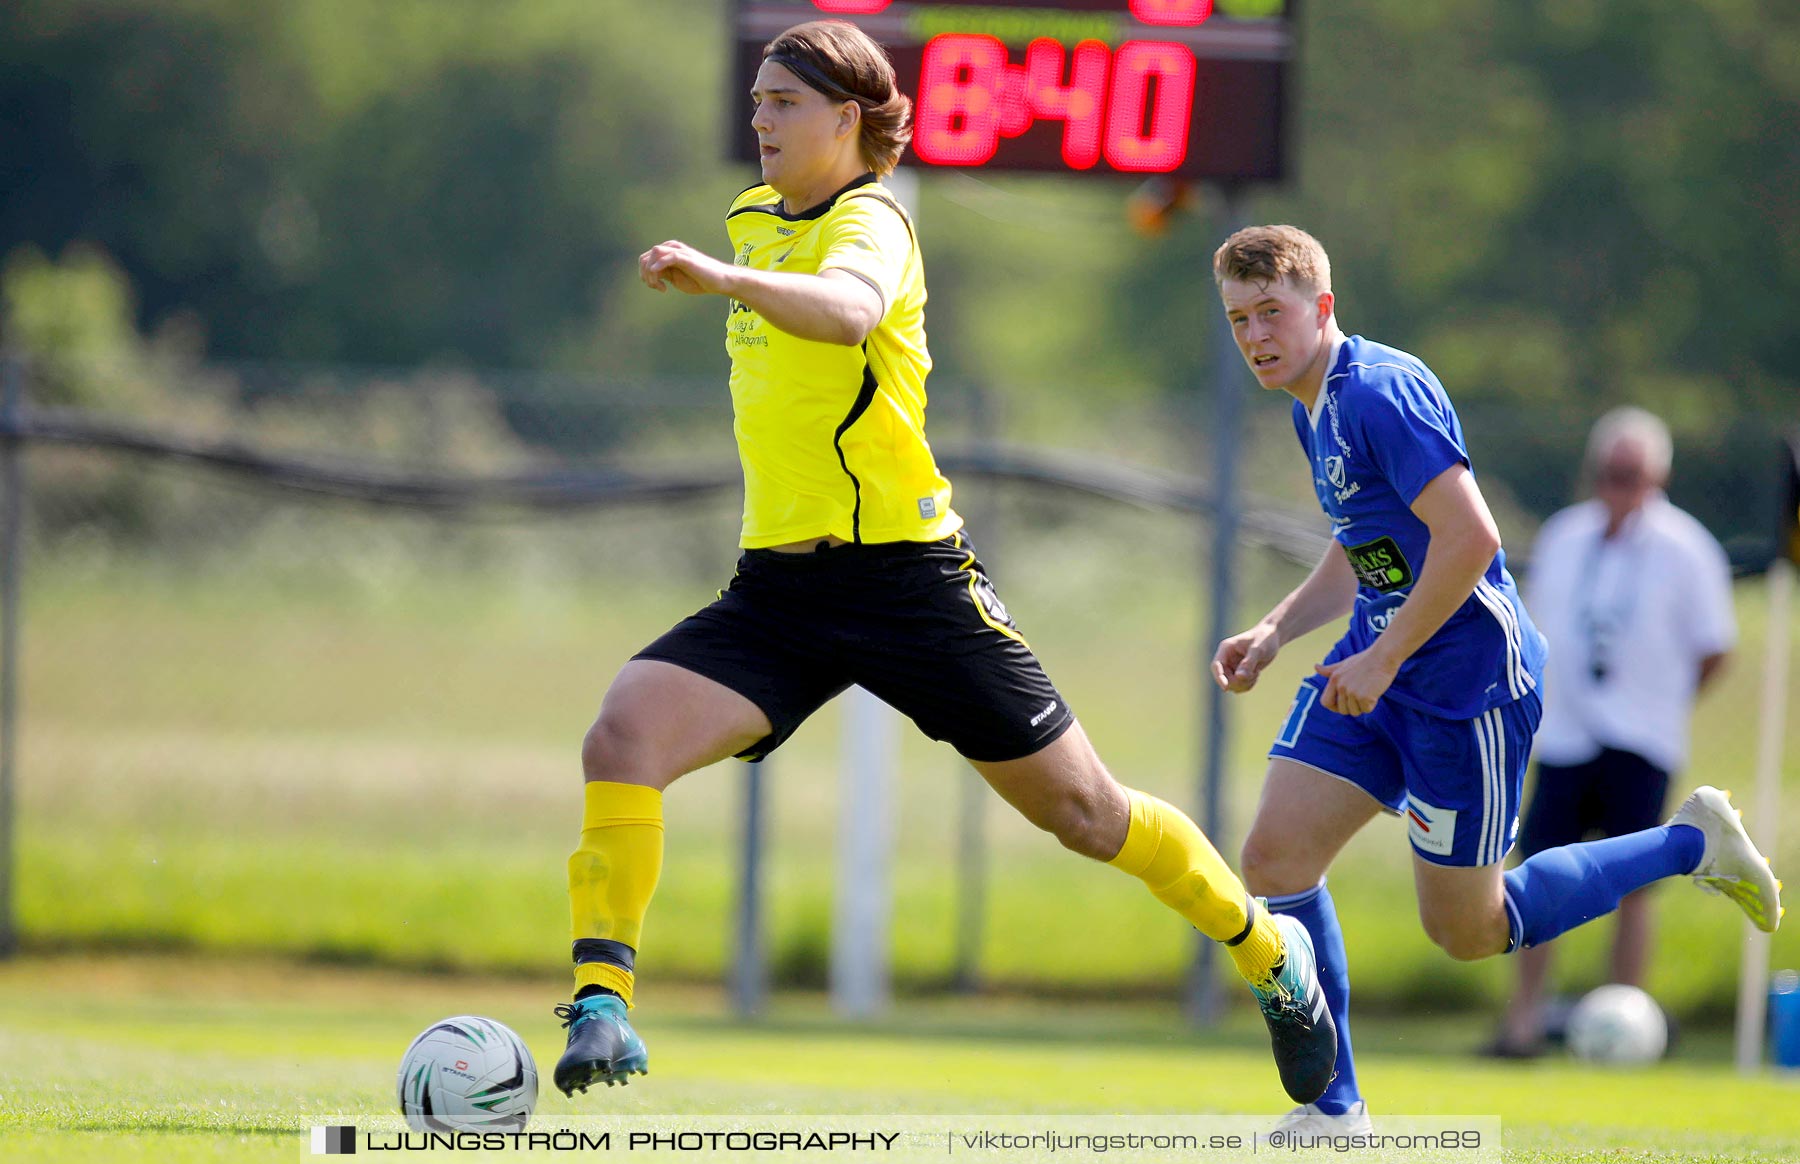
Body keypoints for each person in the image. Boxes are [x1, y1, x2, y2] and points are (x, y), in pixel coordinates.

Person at [551, 20, 1337, 1104]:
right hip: (781, 587)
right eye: (757, 101)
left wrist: (726, 280)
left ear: (847, 117)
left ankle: (1267, 955)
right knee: (622, 733)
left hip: (910, 584)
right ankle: (602, 1006)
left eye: (783, 102)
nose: (760, 120)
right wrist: (732, 266)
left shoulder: (875, 220)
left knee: (1089, 816)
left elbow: (851, 312)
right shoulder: (747, 218)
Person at [1209, 225, 1782, 1133]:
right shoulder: (1308, 403)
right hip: (1376, 669)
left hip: (1466, 687)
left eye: (1271, 313)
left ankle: (1690, 846)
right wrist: (1279, 629)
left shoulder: (1380, 392)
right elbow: (1366, 544)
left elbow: (1472, 541)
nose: (1255, 336)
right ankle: (1335, 1110)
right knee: (1274, 858)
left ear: (1322, 308)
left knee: (1468, 931)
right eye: (1239, 319)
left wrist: (1386, 654)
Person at [1489, 408, 1737, 1057]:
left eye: (1632, 474)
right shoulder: (1566, 536)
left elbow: (1715, 648)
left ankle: (1627, 1024)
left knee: (1633, 887)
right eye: (1609, 473)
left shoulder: (1688, 549)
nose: (1619, 485)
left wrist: (1661, 700)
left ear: (1658, 476)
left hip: (1641, 736)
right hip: (1565, 733)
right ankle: (1523, 1023)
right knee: (1538, 876)